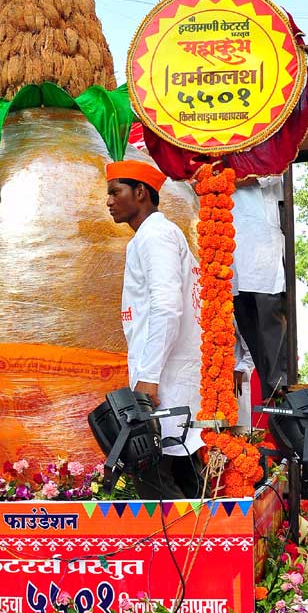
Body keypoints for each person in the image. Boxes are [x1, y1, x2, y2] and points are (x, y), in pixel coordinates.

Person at [106, 159, 202, 499]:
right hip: (169, 377)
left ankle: (190, 550)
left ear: (141, 192)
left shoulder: (155, 235)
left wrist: (148, 377)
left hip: (163, 380)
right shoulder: (157, 235)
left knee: (155, 483)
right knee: (182, 477)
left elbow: (166, 306)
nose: (109, 202)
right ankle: (201, 547)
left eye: (115, 192)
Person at [231, 175, 287, 399]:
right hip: (228, 241)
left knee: (270, 312)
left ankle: (281, 386)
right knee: (245, 318)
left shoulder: (265, 138)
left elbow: (274, 169)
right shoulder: (204, 142)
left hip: (262, 237)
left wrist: (228, 177)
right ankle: (269, 388)